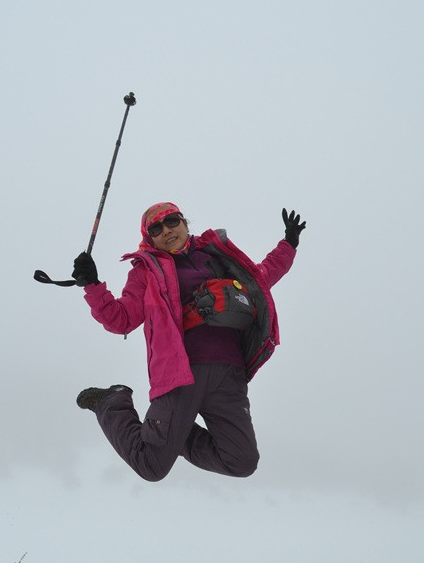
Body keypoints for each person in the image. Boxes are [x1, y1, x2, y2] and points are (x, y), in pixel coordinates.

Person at [72, 203, 305, 482]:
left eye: (172, 221)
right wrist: (92, 284)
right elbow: (120, 319)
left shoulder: (215, 257)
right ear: (149, 239)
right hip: (181, 376)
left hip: (229, 375)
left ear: (185, 223)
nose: (166, 230)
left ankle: (175, 435)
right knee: (150, 466)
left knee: (241, 460)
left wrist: (288, 244)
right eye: (156, 229)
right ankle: (111, 402)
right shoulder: (146, 271)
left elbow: (260, 277)